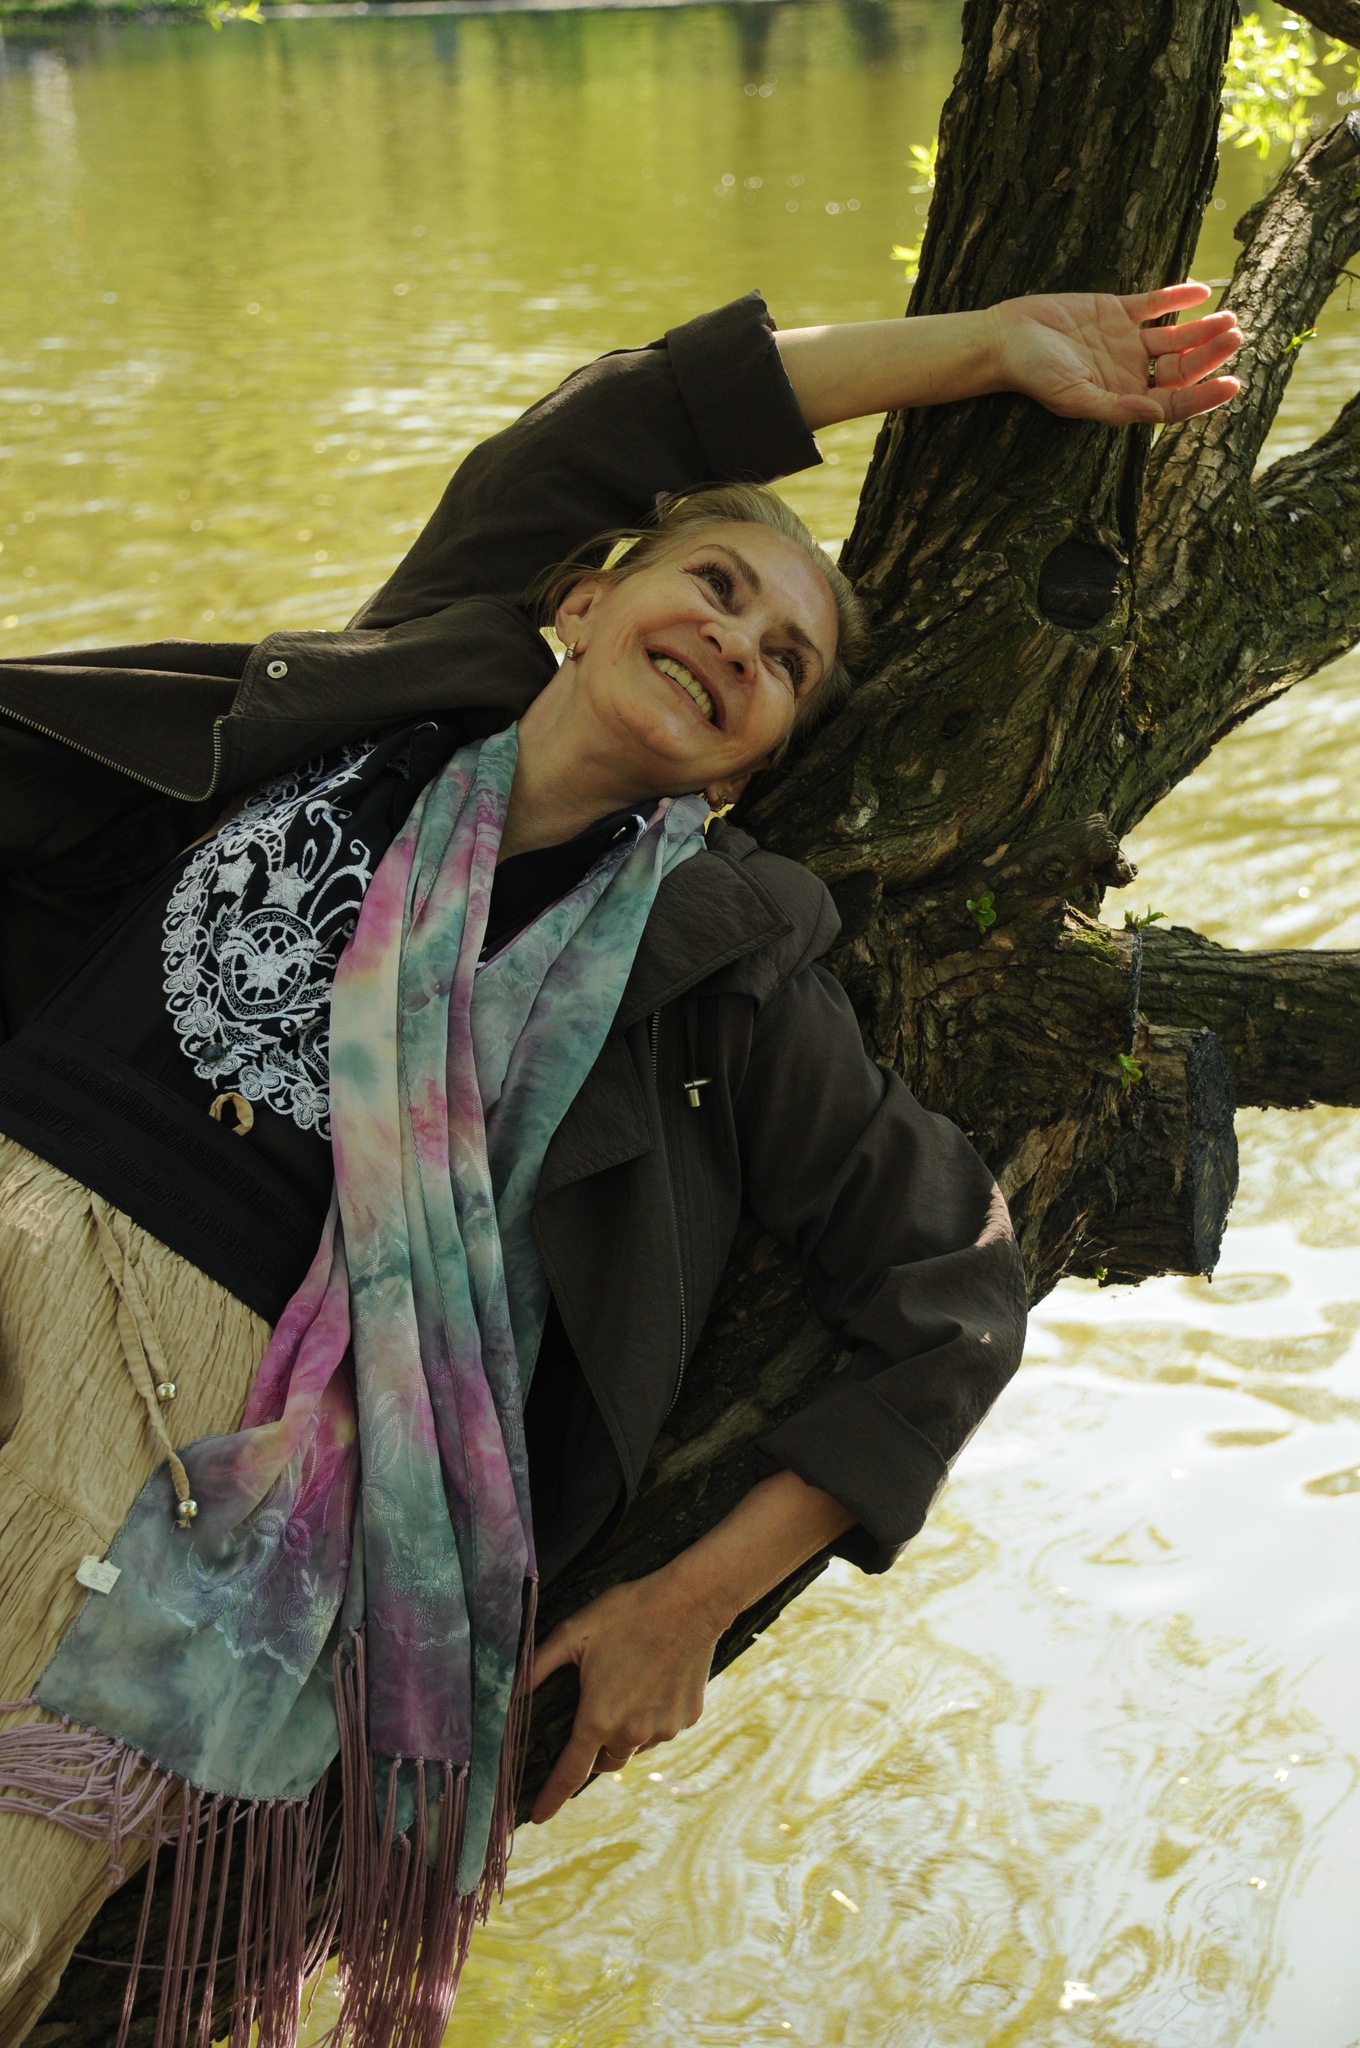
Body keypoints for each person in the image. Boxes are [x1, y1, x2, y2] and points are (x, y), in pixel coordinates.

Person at [0, 282, 1241, 2048]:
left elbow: (954, 1287)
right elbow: (624, 421)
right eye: (715, 586)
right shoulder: (412, 675)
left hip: (160, 1451)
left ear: (755, 764)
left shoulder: (718, 968)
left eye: (785, 661)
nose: (738, 643)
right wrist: (985, 351)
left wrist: (692, 1604)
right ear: (582, 603)